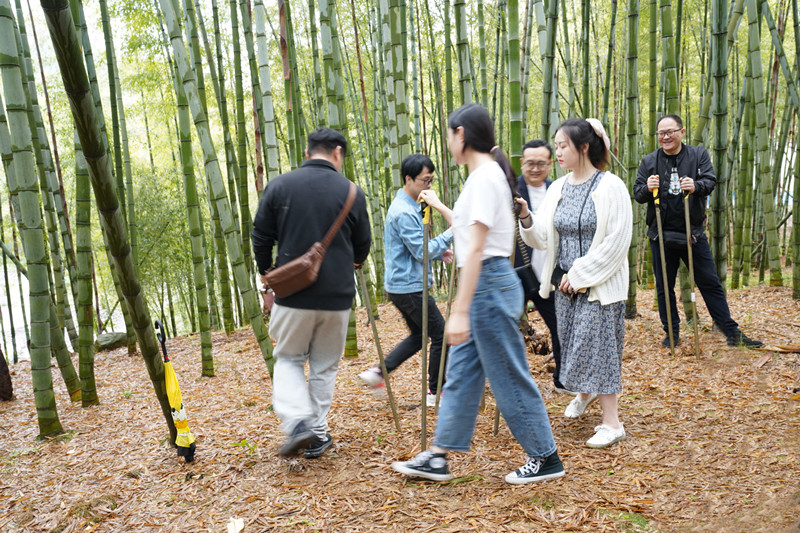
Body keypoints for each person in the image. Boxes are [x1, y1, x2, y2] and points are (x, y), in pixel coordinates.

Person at [392, 104, 564, 484]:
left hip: (487, 284)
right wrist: (439, 206)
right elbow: (467, 228)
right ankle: (438, 455)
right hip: (485, 283)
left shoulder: (485, 177)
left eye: (449, 134)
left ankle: (545, 456)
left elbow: (477, 247)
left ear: (461, 135)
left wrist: (460, 309)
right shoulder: (482, 177)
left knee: (508, 375)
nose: (447, 142)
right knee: (463, 372)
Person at [251, 128, 372, 459]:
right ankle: (317, 434)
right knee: (323, 366)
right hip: (337, 296)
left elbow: (261, 237)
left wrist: (268, 278)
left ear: (307, 154)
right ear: (337, 154)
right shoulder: (352, 191)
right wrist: (351, 263)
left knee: (289, 358)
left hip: (293, 295)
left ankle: (298, 424)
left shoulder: (280, 186)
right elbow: (363, 244)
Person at [519, 118, 632, 449]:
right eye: (556, 146)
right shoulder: (558, 188)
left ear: (584, 147)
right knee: (573, 346)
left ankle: (612, 423)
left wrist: (581, 275)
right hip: (564, 288)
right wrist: (526, 215)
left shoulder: (611, 186)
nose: (557, 152)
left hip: (599, 286)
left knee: (602, 350)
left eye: (562, 145)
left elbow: (617, 242)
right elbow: (542, 237)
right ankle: (585, 394)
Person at [633, 114, 762, 348]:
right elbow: (638, 194)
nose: (665, 137)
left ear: (682, 132)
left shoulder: (698, 155)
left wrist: (696, 186)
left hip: (692, 234)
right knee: (664, 288)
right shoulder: (649, 161)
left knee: (710, 283)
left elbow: (710, 181)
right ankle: (671, 334)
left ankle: (732, 333)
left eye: (670, 132)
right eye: (661, 133)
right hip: (661, 236)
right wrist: (647, 187)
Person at [357, 154, 454, 407]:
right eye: (425, 180)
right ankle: (437, 392)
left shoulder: (415, 204)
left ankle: (379, 372)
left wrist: (438, 250)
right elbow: (421, 251)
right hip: (409, 287)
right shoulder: (403, 211)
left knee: (420, 335)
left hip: (402, 285)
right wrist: (450, 234)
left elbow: (416, 247)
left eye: (432, 181)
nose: (429, 187)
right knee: (441, 335)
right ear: (408, 179)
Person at [513, 140, 565, 392]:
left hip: (547, 275)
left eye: (541, 163)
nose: (535, 168)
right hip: (514, 274)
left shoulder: (558, 190)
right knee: (502, 329)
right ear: (522, 163)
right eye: (530, 163)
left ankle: (562, 379)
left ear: (550, 164)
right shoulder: (510, 191)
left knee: (560, 327)